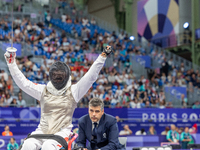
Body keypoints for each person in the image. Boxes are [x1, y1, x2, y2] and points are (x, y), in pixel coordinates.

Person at [4, 46, 112, 150]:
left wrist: (102, 56)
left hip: (62, 132)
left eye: (60, 75)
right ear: (51, 76)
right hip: (42, 131)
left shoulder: (74, 91)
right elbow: (23, 84)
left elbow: (90, 77)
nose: (58, 77)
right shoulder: (43, 90)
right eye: (55, 75)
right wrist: (11, 63)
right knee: (27, 145)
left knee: (48, 146)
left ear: (66, 76)